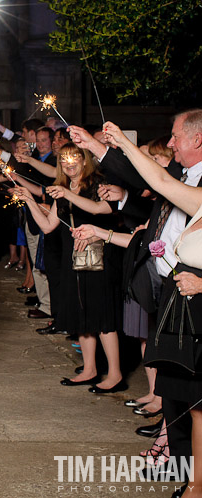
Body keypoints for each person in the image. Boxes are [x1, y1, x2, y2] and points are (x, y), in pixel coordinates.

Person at [103, 117, 202, 498]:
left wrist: (124, 145)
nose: (172, 143)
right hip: (180, 303)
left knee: (194, 402)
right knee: (186, 401)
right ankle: (187, 477)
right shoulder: (189, 185)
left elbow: (159, 182)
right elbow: (159, 184)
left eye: (177, 136)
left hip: (195, 305)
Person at [13, 143, 124, 393]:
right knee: (81, 314)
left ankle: (115, 374)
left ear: (85, 161)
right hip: (72, 258)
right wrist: (29, 200)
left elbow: (100, 208)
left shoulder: (98, 184)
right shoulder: (62, 189)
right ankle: (89, 369)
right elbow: (48, 226)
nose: (69, 163)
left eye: (75, 158)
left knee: (103, 315)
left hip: (99, 256)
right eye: (64, 160)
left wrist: (66, 195)